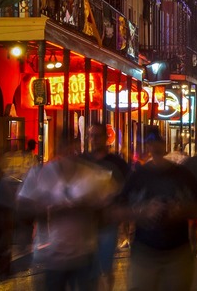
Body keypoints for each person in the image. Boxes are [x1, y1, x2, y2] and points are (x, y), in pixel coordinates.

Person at [18, 139, 116, 291]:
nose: (71, 154)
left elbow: (107, 210)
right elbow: (23, 206)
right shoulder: (42, 173)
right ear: (59, 150)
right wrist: (48, 207)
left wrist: (88, 206)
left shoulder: (90, 174)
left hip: (84, 255)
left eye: (75, 150)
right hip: (52, 257)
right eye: (67, 150)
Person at [116, 128, 197, 291]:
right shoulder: (138, 176)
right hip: (145, 251)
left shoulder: (182, 175)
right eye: (151, 142)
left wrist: (182, 211)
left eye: (158, 141)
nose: (155, 146)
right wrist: (143, 212)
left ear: (164, 144)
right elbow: (116, 210)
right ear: (147, 146)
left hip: (178, 251)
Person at [84, 122, 129, 290]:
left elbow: (127, 188)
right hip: (85, 225)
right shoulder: (83, 160)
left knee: (106, 268)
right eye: (91, 136)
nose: (94, 139)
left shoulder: (116, 162)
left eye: (97, 136)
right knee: (88, 270)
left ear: (105, 138)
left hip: (107, 224)